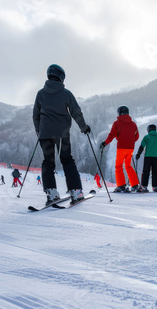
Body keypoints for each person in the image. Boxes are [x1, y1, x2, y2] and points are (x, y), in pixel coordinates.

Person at [33, 64, 91, 204]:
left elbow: (35, 115)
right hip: (62, 134)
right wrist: (84, 127)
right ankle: (76, 191)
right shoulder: (66, 94)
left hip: (45, 134)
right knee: (67, 160)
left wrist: (38, 131)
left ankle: (51, 193)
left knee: (48, 162)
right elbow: (76, 112)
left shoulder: (41, 94)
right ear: (61, 76)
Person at [100, 106, 140, 192]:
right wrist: (131, 141)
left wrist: (105, 143)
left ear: (119, 113)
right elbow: (137, 136)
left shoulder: (117, 123)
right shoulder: (133, 124)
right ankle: (135, 185)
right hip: (130, 148)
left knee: (118, 166)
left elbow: (111, 135)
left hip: (121, 147)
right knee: (128, 166)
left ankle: (121, 186)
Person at [136, 124, 157, 193]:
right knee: (155, 172)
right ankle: (155, 187)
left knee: (146, 171)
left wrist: (138, 154)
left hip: (148, 157)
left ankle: (144, 186)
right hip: (156, 157)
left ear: (148, 130)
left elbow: (142, 146)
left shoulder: (147, 137)